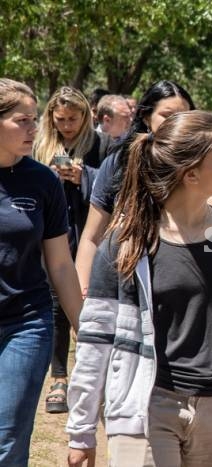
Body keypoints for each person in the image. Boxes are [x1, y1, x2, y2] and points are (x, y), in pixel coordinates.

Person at [66, 110, 212, 467]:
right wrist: (81, 430)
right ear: (191, 174)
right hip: (147, 406)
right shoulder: (127, 243)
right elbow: (96, 342)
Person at [0, 78, 83, 466]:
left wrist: (84, 328)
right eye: (23, 121)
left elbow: (61, 264)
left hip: (25, 323)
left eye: (35, 120)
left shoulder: (43, 181)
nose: (35, 129)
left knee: (9, 438)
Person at [33, 86, 113, 414]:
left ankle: (90, 370)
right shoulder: (40, 145)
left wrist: (84, 178)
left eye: (74, 119)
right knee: (55, 304)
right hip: (53, 235)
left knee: (91, 301)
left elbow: (112, 186)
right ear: (51, 116)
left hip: (91, 233)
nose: (67, 125)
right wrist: (49, 177)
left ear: (86, 116)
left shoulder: (101, 145)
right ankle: (59, 377)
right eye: (61, 119)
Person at [75, 80, 194, 298]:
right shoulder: (119, 163)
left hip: (188, 282)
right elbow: (92, 236)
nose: (176, 123)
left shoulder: (201, 165)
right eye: (167, 115)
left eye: (184, 116)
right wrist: (83, 294)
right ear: (147, 117)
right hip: (126, 285)